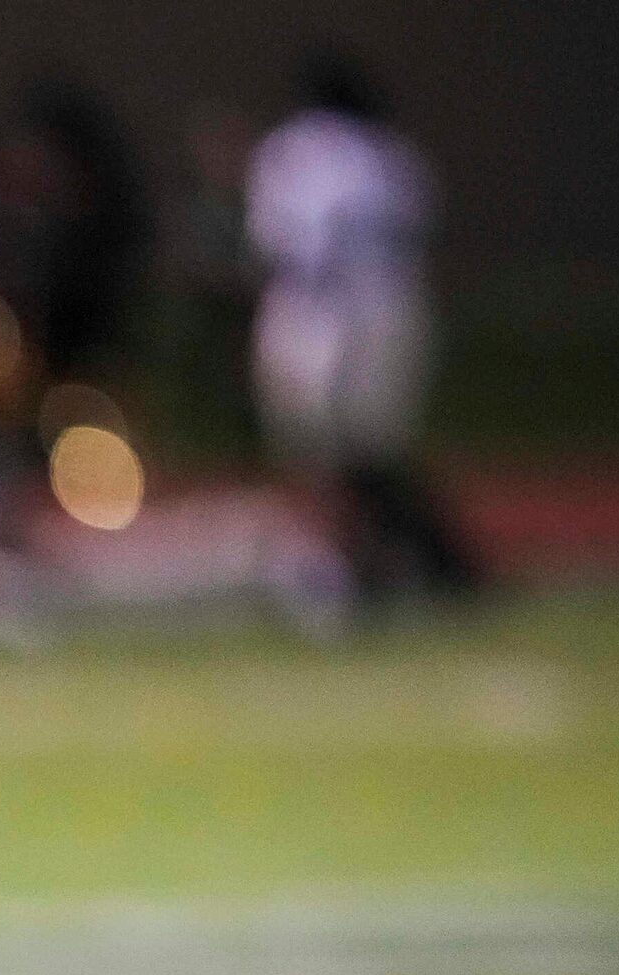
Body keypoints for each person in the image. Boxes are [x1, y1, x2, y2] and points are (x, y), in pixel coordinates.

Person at [245, 53, 475, 603]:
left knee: (317, 457)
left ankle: (340, 569)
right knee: (377, 454)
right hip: (393, 310)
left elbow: (275, 245)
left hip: (314, 315)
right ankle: (406, 564)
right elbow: (425, 237)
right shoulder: (392, 154)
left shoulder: (292, 148)